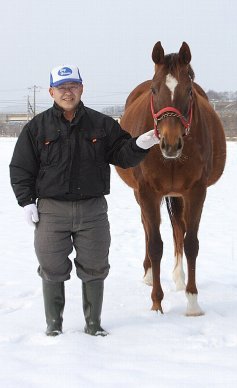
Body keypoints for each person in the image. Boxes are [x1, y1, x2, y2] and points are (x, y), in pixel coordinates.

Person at [9, 65, 159, 337]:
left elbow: (122, 155)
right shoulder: (36, 127)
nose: (68, 92)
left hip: (92, 210)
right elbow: (21, 168)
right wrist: (26, 201)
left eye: (73, 86)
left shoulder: (102, 124)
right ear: (52, 91)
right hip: (51, 211)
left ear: (82, 88)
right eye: (62, 88)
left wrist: (141, 145)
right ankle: (54, 325)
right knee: (51, 267)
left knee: (95, 266)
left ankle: (93, 324)